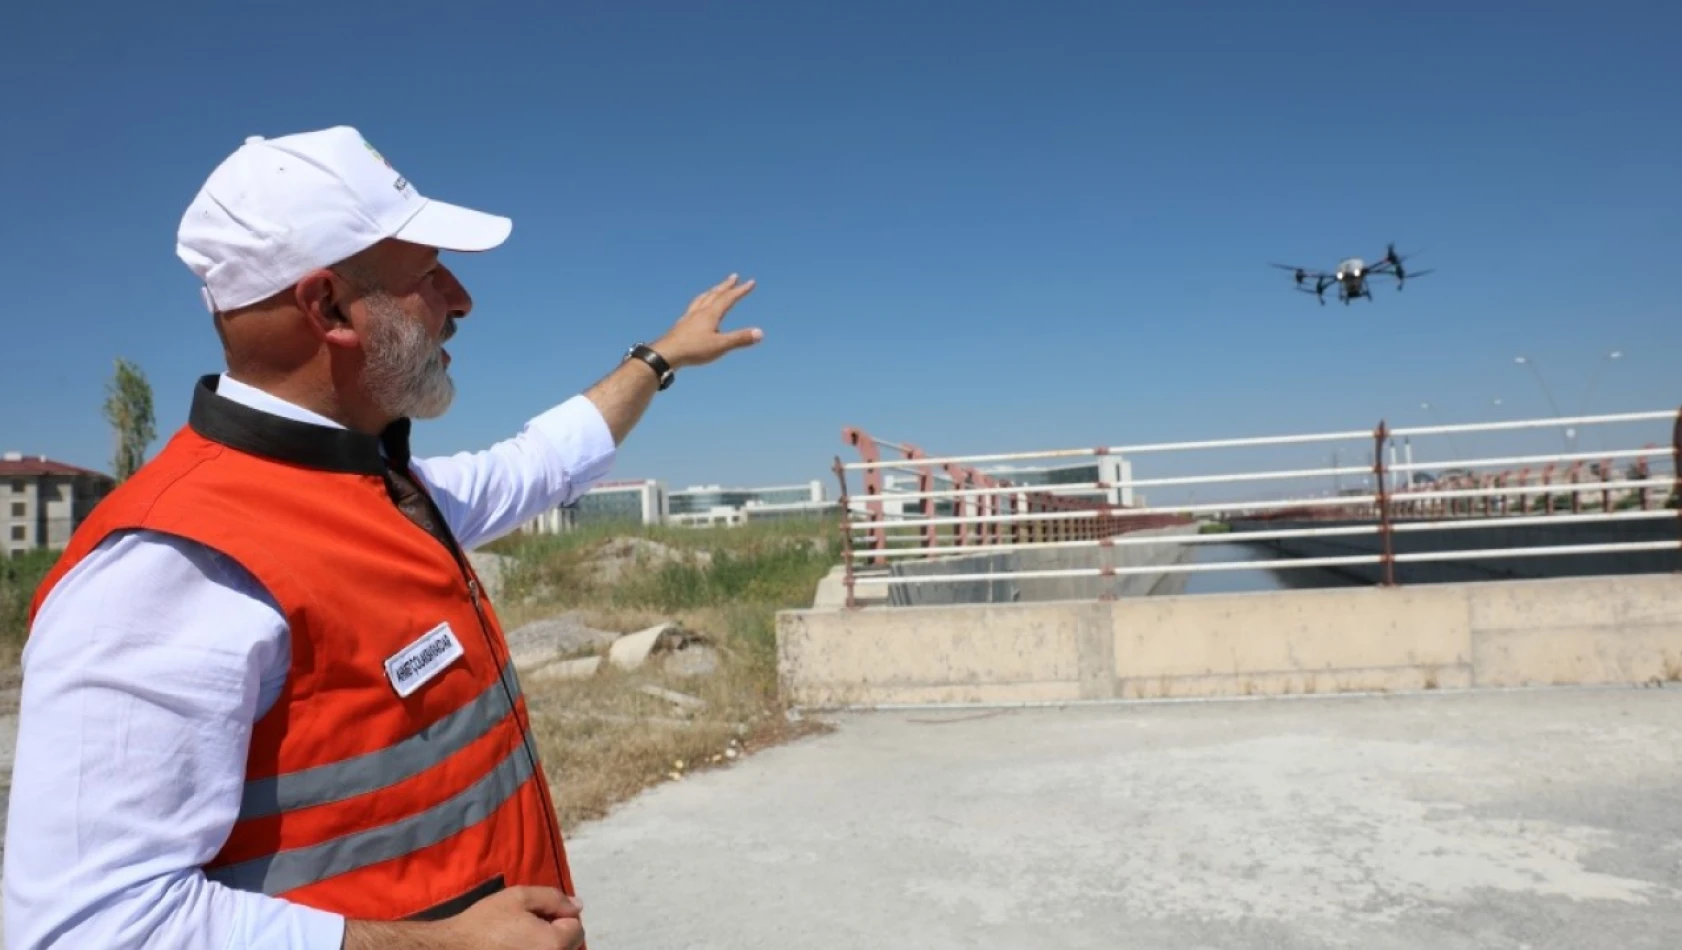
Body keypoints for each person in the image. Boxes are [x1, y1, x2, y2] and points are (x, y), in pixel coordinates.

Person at [1, 125, 762, 950]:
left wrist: (658, 358)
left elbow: (540, 462)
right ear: (327, 305)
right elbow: (85, 926)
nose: (462, 299)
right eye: (426, 275)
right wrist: (439, 946)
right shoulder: (172, 566)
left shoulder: (383, 488)